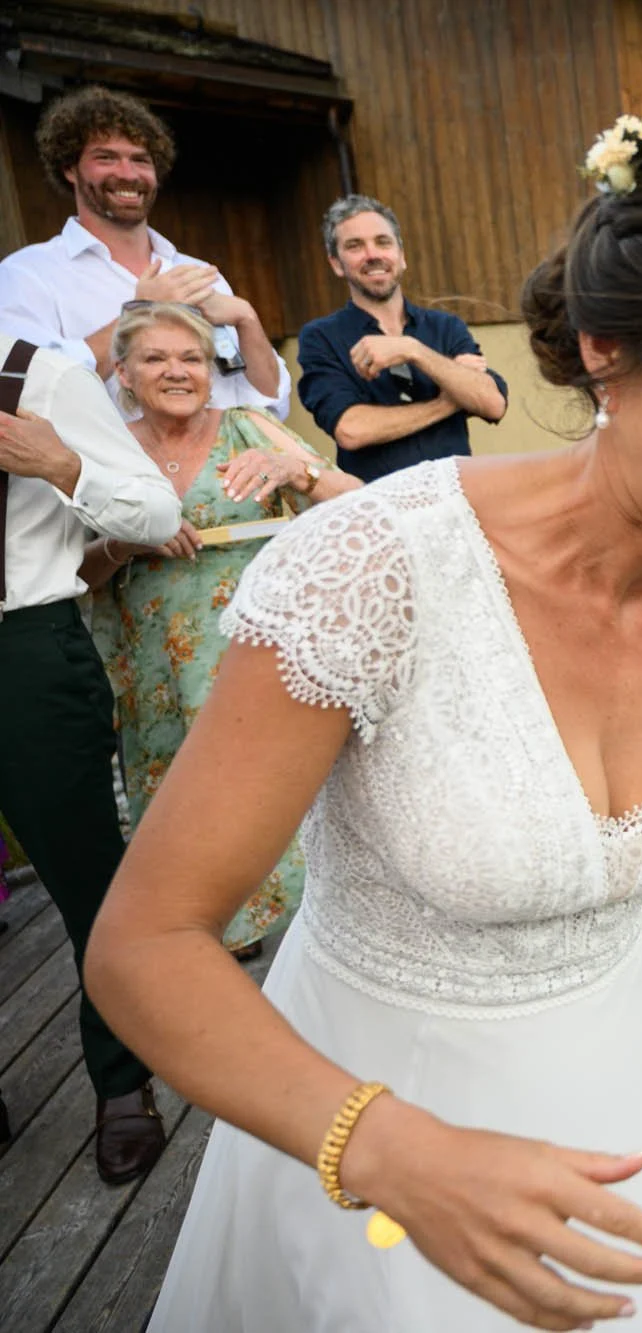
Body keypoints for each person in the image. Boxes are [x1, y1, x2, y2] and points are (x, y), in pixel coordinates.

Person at [85, 114, 642, 1330]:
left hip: (619, 1084)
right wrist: (385, 1148)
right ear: (606, 351)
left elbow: (629, 819)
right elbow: (142, 946)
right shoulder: (374, 567)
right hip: (373, 1107)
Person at [81, 304, 360, 960]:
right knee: (180, 805)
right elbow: (77, 571)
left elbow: (361, 502)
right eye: (156, 358)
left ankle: (316, 942)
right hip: (153, 674)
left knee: (272, 796)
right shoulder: (108, 450)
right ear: (122, 371)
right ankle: (211, 948)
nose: (178, 371)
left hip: (255, 661)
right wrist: (124, 543)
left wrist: (302, 474)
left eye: (194, 358)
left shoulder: (247, 429)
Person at [0, 334, 180, 1185]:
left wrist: (62, 464)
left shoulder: (39, 374)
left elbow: (158, 514)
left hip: (23, 656)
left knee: (85, 882)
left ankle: (122, 1084)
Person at [0, 86, 290, 419]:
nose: (128, 173)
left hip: (224, 466)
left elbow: (271, 406)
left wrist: (247, 320)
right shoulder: (26, 274)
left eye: (140, 160)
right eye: (106, 157)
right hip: (107, 470)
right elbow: (29, 390)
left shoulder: (196, 272)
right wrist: (140, 312)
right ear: (70, 168)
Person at [297, 195, 509, 483]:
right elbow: (351, 430)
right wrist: (451, 401)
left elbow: (491, 402)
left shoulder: (445, 327)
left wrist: (414, 350)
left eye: (383, 242)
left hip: (458, 499)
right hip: (380, 511)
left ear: (401, 255)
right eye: (355, 246)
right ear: (336, 264)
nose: (372, 254)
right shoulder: (320, 337)